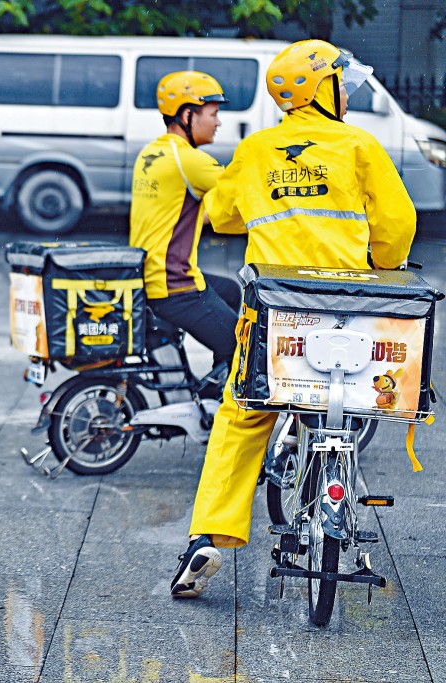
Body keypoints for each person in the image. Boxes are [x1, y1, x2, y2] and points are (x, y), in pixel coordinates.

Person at [170, 40, 416, 598]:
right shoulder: (358, 145)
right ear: (322, 89)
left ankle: (210, 534)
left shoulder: (257, 148)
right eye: (341, 85)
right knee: (348, 399)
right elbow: (396, 223)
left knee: (243, 413)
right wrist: (382, 261)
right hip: (350, 314)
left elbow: (223, 215)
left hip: (275, 313)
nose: (347, 98)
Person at [129, 70, 240, 391]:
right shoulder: (189, 159)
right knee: (246, 348)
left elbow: (186, 215)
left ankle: (217, 375)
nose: (218, 122)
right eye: (213, 114)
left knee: (230, 291)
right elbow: (248, 196)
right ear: (188, 114)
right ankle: (212, 392)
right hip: (175, 286)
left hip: (149, 275)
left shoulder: (151, 152)